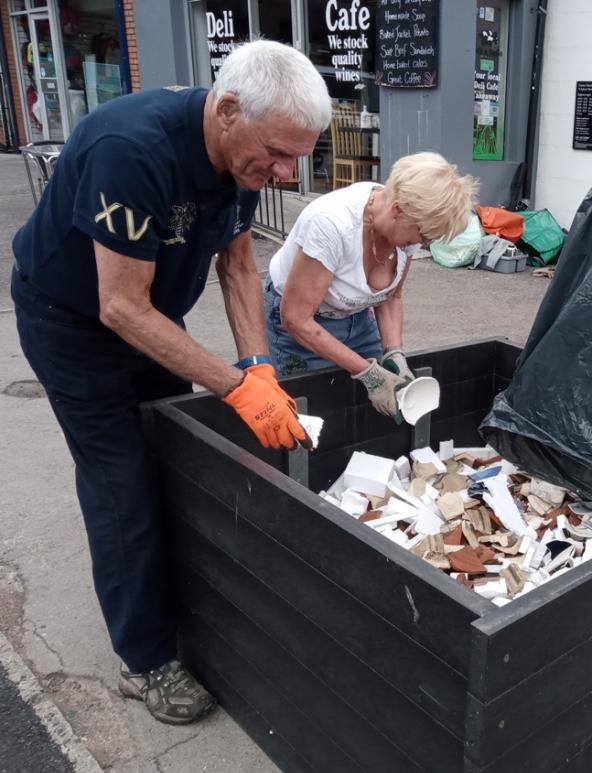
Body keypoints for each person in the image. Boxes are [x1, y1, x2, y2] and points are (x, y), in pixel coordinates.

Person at [10, 40, 332, 724]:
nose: (282, 172)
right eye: (276, 152)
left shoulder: (242, 166)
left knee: (177, 453)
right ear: (228, 110)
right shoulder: (133, 150)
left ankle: (178, 602)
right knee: (120, 483)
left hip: (152, 315)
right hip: (72, 321)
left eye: (295, 158)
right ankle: (147, 660)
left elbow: (239, 267)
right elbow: (119, 306)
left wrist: (259, 369)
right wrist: (232, 387)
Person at [265, 152, 476, 419]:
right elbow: (295, 318)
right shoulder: (331, 225)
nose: (422, 244)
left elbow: (391, 296)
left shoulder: (405, 225)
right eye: (423, 235)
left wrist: (394, 352)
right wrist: (367, 372)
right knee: (316, 412)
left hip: (355, 313)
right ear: (397, 210)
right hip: (301, 320)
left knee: (379, 403)